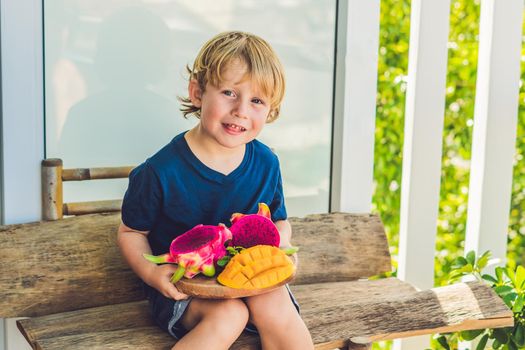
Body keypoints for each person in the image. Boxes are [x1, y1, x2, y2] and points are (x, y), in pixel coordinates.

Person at [117, 31, 314, 350]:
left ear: (271, 109)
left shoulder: (266, 163)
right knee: (229, 315)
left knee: (274, 305)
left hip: (252, 277)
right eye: (228, 93)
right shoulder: (159, 171)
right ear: (197, 92)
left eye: (257, 100)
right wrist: (153, 275)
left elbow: (278, 222)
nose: (241, 111)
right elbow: (130, 232)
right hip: (187, 290)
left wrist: (282, 247)